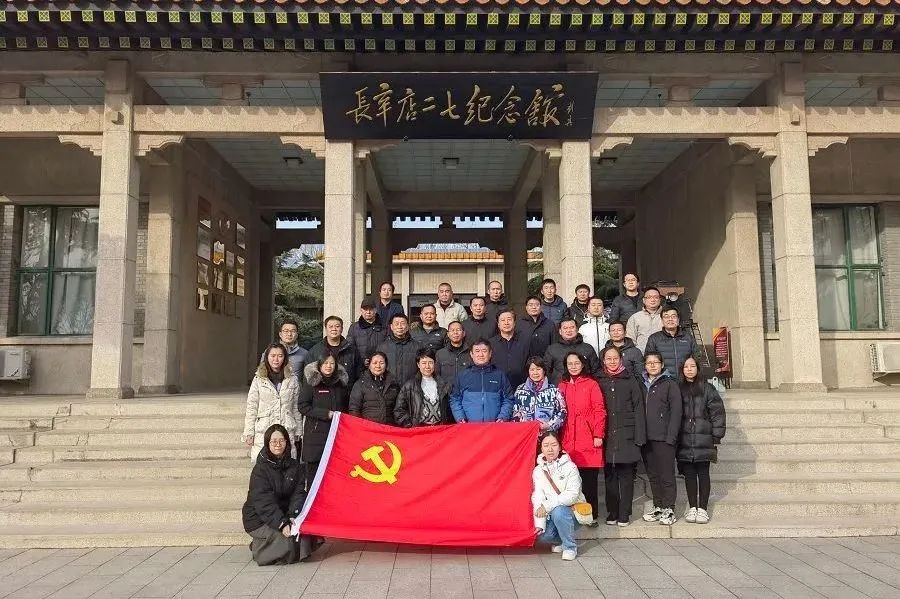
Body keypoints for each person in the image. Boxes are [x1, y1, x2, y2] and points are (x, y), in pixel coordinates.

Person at [242, 424, 315, 566]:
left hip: (285, 514)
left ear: (287, 442)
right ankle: (259, 549)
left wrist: (293, 516)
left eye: (281, 440)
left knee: (303, 534)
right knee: (287, 541)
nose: (278, 444)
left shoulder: (294, 466)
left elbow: (298, 493)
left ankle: (275, 545)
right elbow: (264, 502)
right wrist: (281, 523)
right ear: (267, 443)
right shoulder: (260, 470)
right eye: (273, 441)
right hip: (260, 518)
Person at [597, 347, 646, 527]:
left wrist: (640, 436)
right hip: (607, 435)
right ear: (603, 361)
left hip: (627, 434)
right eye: (608, 358)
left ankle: (624, 513)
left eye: (615, 358)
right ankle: (612, 512)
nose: (612, 362)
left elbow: (639, 408)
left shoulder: (630, 379)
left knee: (626, 477)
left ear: (621, 360)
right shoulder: (599, 380)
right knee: (610, 476)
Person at [558, 352, 607, 524]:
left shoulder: (591, 384)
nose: (573, 366)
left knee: (589, 482)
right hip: (567, 439)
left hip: (587, 438)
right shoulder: (562, 385)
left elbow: (599, 410)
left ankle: (590, 516)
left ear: (582, 364)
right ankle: (572, 516)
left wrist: (598, 434)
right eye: (570, 363)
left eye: (576, 363)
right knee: (570, 482)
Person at [678, 357, 726, 525]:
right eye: (686, 366)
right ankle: (693, 507)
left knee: (703, 474)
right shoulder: (677, 388)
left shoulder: (708, 388)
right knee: (689, 475)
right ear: (682, 370)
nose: (689, 369)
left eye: (693, 366)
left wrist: (716, 435)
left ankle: (703, 508)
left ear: (698, 368)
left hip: (704, 438)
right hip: (684, 439)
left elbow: (717, 412)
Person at [640, 351, 682, 526]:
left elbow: (676, 412)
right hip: (646, 438)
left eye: (655, 362)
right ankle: (658, 506)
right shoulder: (642, 384)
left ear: (662, 364)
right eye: (649, 362)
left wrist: (671, 436)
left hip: (664, 438)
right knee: (653, 475)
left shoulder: (670, 384)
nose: (652, 365)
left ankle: (669, 509)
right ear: (645, 365)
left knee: (666, 475)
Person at [297, 355, 350, 489]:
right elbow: (303, 406)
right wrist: (325, 414)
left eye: (332, 363)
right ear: (319, 365)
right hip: (315, 436)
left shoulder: (341, 385)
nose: (328, 366)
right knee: (314, 479)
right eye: (325, 363)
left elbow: (346, 408)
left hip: (336, 435)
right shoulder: (311, 383)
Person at [243, 344, 301, 463]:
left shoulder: (292, 379)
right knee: (264, 465)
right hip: (264, 427)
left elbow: (296, 407)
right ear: (267, 357)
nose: (276, 359)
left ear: (285, 358)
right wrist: (249, 431)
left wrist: (299, 430)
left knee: (287, 464)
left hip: (286, 426)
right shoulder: (259, 379)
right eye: (273, 356)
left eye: (280, 356)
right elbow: (252, 406)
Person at [532, 431, 582, 561]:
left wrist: (547, 506)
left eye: (554, 445)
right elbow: (538, 495)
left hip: (571, 511)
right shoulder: (538, 470)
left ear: (560, 447)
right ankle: (560, 540)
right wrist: (539, 524)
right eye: (546, 445)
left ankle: (570, 547)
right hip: (550, 514)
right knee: (542, 536)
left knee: (559, 511)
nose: (550, 449)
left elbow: (572, 495)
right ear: (541, 448)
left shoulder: (570, 467)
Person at [449, 340, 515, 423]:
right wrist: (460, 417)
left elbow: (509, 399)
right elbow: (455, 399)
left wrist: (503, 417)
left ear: (490, 353)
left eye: (484, 351)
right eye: (477, 351)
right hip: (468, 426)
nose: (481, 354)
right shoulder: (462, 376)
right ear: (471, 354)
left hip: (494, 426)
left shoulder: (499, 375)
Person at [394, 348, 454, 427]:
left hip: (440, 429)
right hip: (419, 429)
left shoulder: (444, 384)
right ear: (418, 365)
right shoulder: (409, 386)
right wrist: (408, 424)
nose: (427, 366)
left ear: (434, 363)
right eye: (424, 363)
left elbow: (450, 408)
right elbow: (399, 410)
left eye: (430, 362)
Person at [512, 357, 566, 432]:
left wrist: (549, 425)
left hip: (548, 433)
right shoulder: (520, 390)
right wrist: (524, 426)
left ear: (544, 371)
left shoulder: (554, 390)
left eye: (538, 369)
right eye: (532, 370)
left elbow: (562, 412)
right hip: (526, 432)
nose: (535, 373)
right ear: (528, 371)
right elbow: (515, 411)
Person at [304, 315, 360, 387]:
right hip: (322, 391)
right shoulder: (315, 351)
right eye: (330, 326)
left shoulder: (351, 350)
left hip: (347, 391)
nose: (334, 329)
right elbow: (308, 376)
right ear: (325, 329)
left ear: (342, 329)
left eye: (337, 326)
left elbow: (359, 374)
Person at [644, 306, 698, 377]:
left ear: (678, 319)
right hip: (664, 380)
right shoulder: (654, 338)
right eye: (666, 317)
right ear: (662, 320)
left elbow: (697, 359)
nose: (670, 319)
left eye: (673, 316)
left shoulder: (688, 337)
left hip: (685, 380)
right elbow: (648, 362)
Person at [348, 351, 400, 425]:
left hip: (389, 428)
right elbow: (354, 409)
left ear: (386, 365)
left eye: (381, 363)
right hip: (368, 428)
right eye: (374, 363)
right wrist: (359, 426)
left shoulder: (393, 384)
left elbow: (399, 408)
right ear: (369, 365)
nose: (378, 366)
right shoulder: (360, 384)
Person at [544, 318, 600, 384]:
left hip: (585, 387)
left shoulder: (588, 348)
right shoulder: (552, 349)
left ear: (577, 329)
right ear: (560, 331)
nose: (569, 330)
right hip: (560, 387)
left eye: (572, 327)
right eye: (565, 328)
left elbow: (596, 371)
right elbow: (546, 370)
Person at [376, 314, 422, 384]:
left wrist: (414, 383)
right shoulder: (382, 347)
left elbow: (421, 369)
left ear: (407, 327)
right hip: (389, 387)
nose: (400, 327)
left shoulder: (417, 347)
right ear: (391, 327)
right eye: (396, 324)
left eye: (403, 323)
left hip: (411, 387)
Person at [490, 310, 531, 388]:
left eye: (509, 319)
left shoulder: (525, 341)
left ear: (514, 323)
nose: (506, 323)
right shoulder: (491, 343)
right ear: (498, 324)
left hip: (522, 386)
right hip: (496, 386)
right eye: (503, 320)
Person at [347, 297, 387, 372]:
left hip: (380, 368)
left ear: (375, 310)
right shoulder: (354, 328)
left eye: (371, 309)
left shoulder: (384, 327)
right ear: (361, 310)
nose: (368, 312)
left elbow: (388, 348)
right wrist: (361, 361)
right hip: (360, 369)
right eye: (365, 309)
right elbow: (350, 349)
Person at [626, 286, 663, 353]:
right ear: (644, 300)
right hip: (641, 355)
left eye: (656, 297)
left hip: (662, 354)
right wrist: (637, 354)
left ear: (660, 299)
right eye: (649, 297)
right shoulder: (635, 317)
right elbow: (630, 340)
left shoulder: (666, 316)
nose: (653, 300)